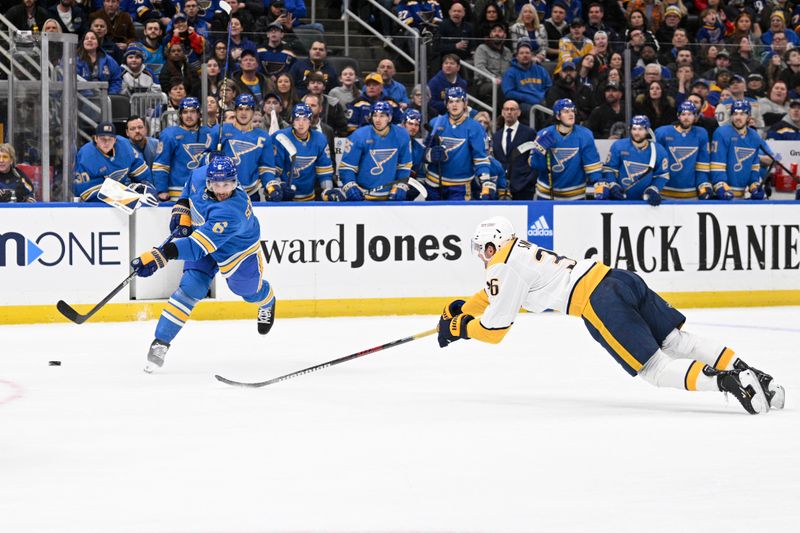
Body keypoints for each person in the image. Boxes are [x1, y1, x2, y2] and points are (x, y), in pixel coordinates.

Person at [436, 216, 784, 415]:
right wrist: (464, 309)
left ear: (492, 245)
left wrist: (460, 328)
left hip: (598, 301)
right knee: (678, 341)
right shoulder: (521, 250)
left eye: (481, 249)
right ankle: (754, 375)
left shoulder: (500, 266)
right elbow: (495, 298)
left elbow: (495, 329)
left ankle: (727, 382)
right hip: (617, 277)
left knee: (654, 369)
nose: (481, 256)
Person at [131, 154, 277, 373]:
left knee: (247, 292)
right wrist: (181, 208)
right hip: (203, 237)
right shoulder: (199, 175)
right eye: (216, 184)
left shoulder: (231, 211)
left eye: (227, 184)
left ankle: (267, 299)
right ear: (208, 181)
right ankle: (161, 342)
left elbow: (195, 248)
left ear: (235, 183)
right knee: (191, 288)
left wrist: (159, 255)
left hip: (237, 251)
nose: (221, 190)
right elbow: (189, 187)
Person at [424, 87, 492, 201]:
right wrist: (430, 155)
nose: (454, 105)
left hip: (460, 186)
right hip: (433, 183)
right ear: (446, 104)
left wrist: (485, 182)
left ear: (465, 103)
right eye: (451, 101)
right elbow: (424, 152)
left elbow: (480, 157)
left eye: (458, 101)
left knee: (458, 218)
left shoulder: (475, 127)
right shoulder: (435, 122)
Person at [528, 98, 602, 199]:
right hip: (546, 194)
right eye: (566, 111)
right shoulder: (543, 134)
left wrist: (598, 183)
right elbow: (536, 166)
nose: (571, 114)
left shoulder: (585, 135)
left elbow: (592, 165)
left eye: (572, 111)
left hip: (575, 195)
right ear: (558, 116)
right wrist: (539, 153)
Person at [339, 101, 413, 201]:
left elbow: (404, 165)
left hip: (390, 196)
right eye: (375, 115)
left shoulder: (402, 135)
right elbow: (347, 167)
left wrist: (400, 185)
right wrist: (350, 185)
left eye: (382, 116)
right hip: (363, 195)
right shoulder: (359, 135)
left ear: (389, 118)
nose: (377, 120)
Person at [215, 93, 278, 201]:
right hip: (222, 193)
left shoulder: (263, 137)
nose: (243, 113)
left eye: (248, 109)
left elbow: (266, 168)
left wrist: (272, 187)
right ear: (235, 111)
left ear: (253, 112)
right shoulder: (220, 131)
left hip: (251, 193)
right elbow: (203, 159)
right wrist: (210, 157)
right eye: (240, 109)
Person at [271, 103, 337, 202]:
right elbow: (273, 171)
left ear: (310, 121)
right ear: (292, 121)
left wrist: (327, 191)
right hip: (284, 199)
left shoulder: (320, 139)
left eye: (305, 119)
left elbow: (325, 172)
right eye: (297, 119)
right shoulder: (280, 137)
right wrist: (280, 187)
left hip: (309, 197)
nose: (301, 124)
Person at [73, 121, 154, 202]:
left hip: (122, 195)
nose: (106, 142)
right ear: (96, 139)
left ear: (115, 139)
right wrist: (119, 196)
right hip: (95, 203)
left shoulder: (125, 147)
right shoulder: (86, 156)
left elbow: (140, 170)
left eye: (110, 139)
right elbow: (82, 189)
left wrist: (148, 188)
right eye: (102, 139)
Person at [152, 97, 214, 201]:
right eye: (185, 112)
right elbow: (161, 164)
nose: (189, 116)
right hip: (177, 191)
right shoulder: (169, 135)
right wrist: (162, 190)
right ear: (180, 114)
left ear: (199, 114)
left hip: (203, 190)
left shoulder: (208, 134)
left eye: (193, 112)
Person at [601, 115, 670, 205]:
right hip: (620, 200)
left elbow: (662, 175)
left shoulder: (658, 150)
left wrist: (654, 188)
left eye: (640, 129)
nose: (637, 133)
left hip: (645, 203)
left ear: (647, 130)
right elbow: (609, 169)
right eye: (634, 129)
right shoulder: (618, 146)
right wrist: (613, 185)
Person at [654, 101, 713, 200]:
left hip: (691, 194)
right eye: (683, 114)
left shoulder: (701, 134)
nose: (686, 117)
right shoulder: (662, 133)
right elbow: (656, 165)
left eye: (690, 114)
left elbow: (702, 165)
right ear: (678, 116)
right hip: (664, 192)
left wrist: (703, 185)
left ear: (695, 116)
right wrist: (654, 188)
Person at [710, 99, 767, 200]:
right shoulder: (721, 133)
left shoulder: (754, 136)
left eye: (742, 114)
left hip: (741, 195)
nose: (738, 117)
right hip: (721, 194)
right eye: (735, 114)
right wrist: (720, 186)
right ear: (731, 116)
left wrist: (754, 186)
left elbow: (754, 167)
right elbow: (717, 165)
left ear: (749, 116)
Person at [491, 98, 536, 200]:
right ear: (502, 112)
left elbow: (534, 159)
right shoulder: (496, 136)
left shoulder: (529, 133)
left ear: (519, 112)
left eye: (512, 109)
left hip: (523, 188)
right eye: (506, 109)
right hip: (501, 188)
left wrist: (529, 181)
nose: (509, 112)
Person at [501, 39, 552, 123]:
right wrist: (530, 98)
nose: (525, 55)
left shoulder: (540, 70)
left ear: (532, 55)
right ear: (517, 56)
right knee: (534, 110)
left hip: (541, 101)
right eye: (521, 53)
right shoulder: (510, 72)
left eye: (527, 53)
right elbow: (508, 92)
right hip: (522, 103)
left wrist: (541, 97)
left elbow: (548, 86)